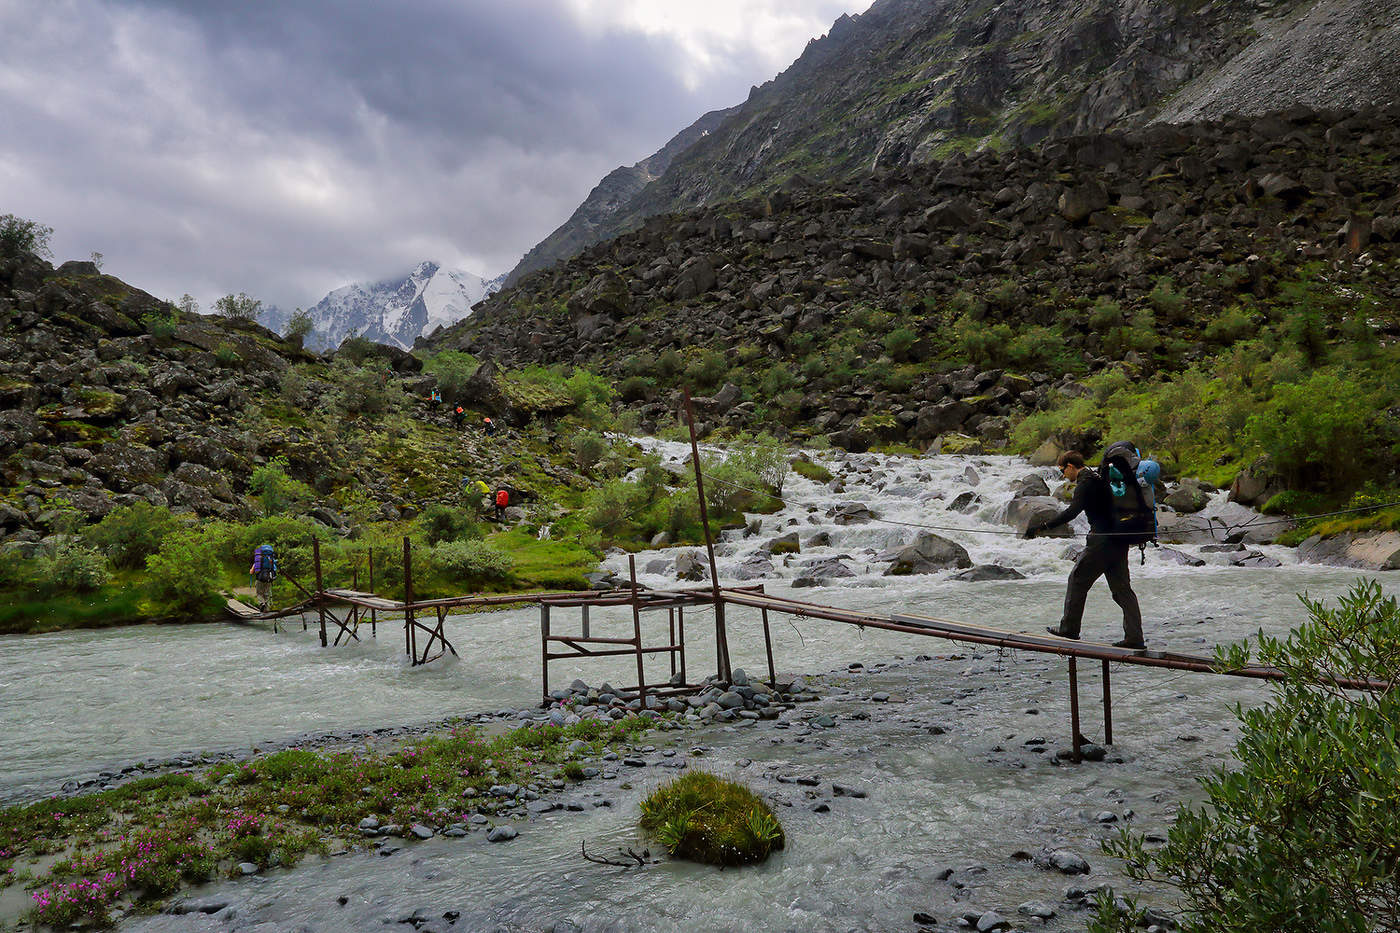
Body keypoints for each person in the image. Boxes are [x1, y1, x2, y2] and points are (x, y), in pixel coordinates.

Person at [1025, 451, 1145, 649]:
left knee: (1077, 580)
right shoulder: (1100, 478)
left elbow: (1072, 512)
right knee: (1122, 591)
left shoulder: (1085, 484)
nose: (1063, 474)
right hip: (1120, 540)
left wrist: (1041, 527)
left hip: (1101, 542)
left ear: (1071, 466)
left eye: (1063, 470)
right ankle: (1135, 637)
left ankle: (1069, 629)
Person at [249, 543, 278, 612]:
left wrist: (252, 570)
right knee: (267, 594)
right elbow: (274, 569)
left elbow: (252, 571)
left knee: (259, 593)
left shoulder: (258, 559)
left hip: (260, 579)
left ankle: (262, 603)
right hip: (269, 579)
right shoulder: (271, 559)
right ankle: (267, 610)